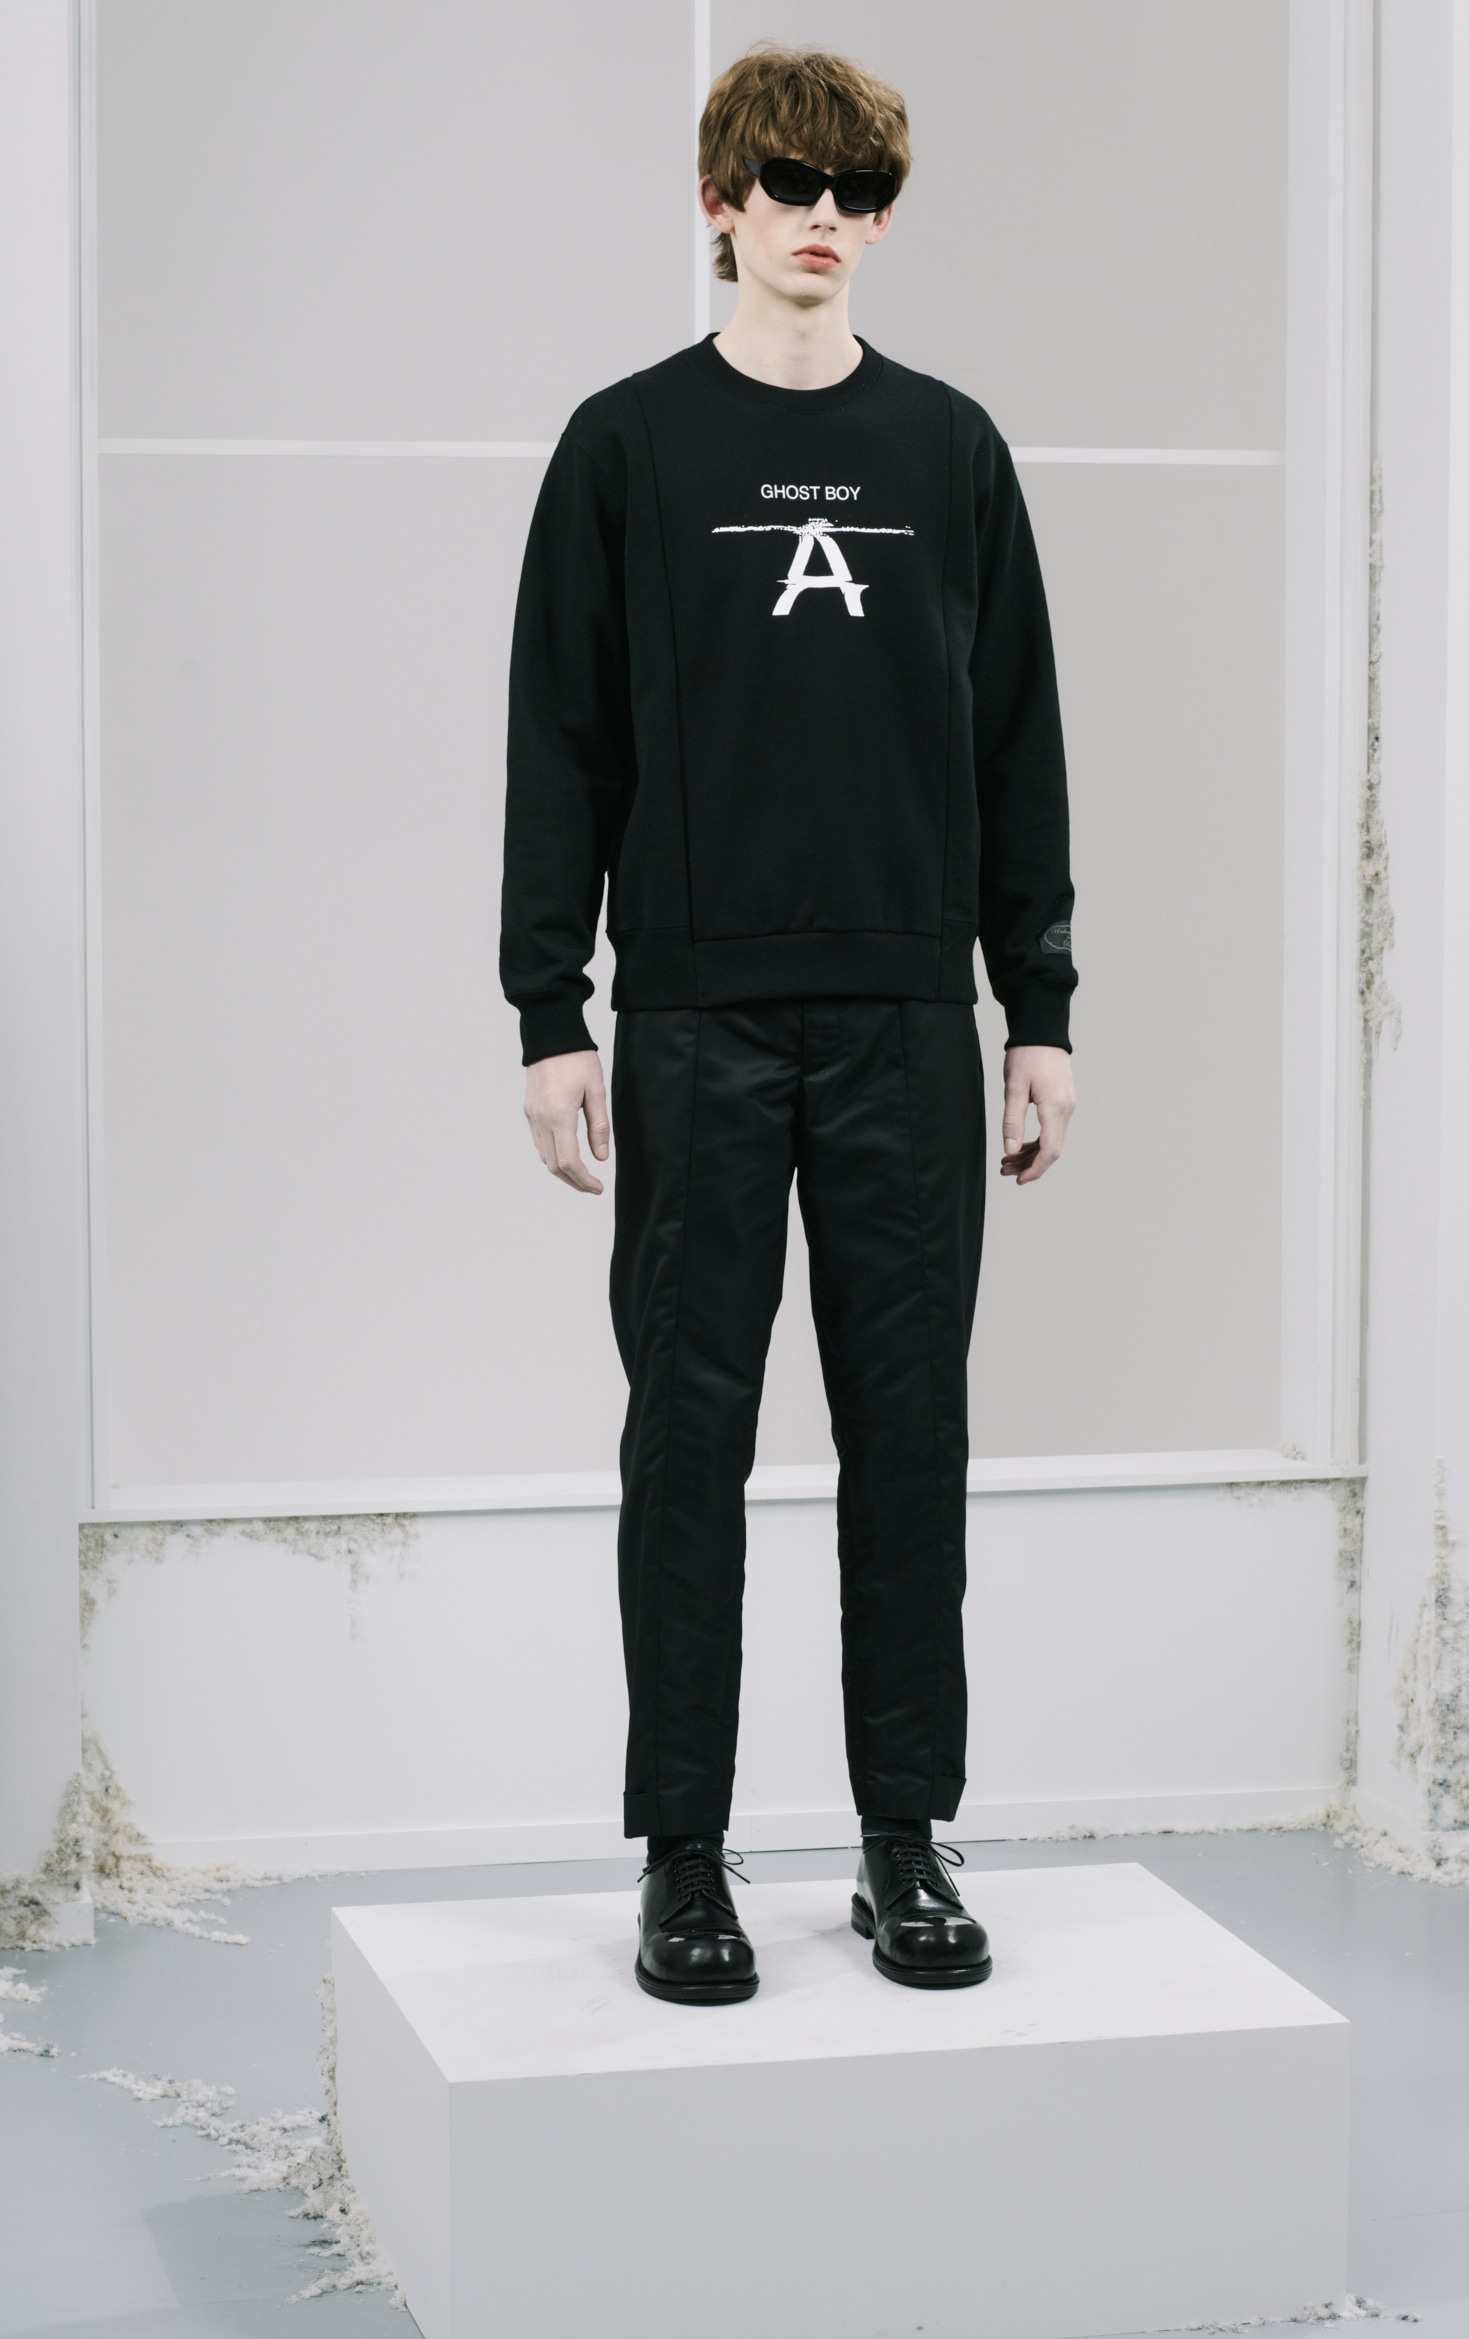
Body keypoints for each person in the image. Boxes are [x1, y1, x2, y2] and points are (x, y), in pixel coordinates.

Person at [501, 45, 1075, 2003]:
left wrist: (1039, 1006)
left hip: (911, 1018)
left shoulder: (951, 452)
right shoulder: (627, 448)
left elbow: (1019, 747)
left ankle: (906, 1838)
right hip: (695, 1021)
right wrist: (548, 1009)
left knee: (911, 1436)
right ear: (720, 203)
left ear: (884, 218)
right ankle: (685, 1855)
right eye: (789, 184)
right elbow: (561, 742)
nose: (823, 218)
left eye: (857, 191)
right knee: (691, 1443)